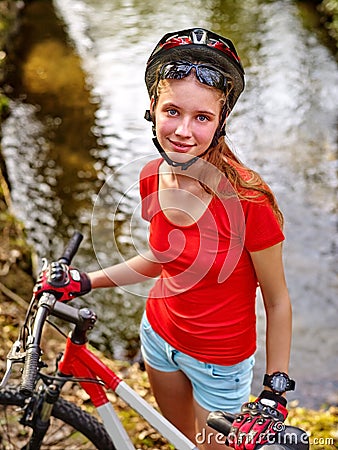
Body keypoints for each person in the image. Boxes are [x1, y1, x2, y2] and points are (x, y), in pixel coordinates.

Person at [34, 28, 296, 450]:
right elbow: (161, 258)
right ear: (152, 108)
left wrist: (274, 391)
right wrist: (85, 281)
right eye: (172, 111)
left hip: (220, 364)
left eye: (202, 117)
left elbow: (278, 300)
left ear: (221, 120)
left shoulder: (250, 200)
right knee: (181, 442)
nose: (183, 131)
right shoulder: (151, 175)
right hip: (158, 337)